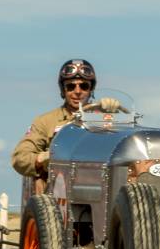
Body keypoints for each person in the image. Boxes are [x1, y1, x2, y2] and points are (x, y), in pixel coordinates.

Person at [11, 59, 121, 191]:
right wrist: (43, 159)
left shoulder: (104, 117)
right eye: (71, 86)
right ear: (63, 90)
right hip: (58, 190)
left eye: (84, 86)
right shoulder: (46, 121)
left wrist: (113, 115)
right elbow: (20, 158)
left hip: (100, 185)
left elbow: (123, 149)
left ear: (91, 89)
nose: (77, 91)